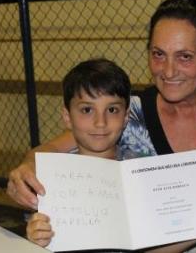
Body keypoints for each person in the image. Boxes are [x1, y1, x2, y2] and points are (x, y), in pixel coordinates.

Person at [8, 0, 196, 252]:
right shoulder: (122, 113)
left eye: (184, 56)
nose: (168, 71)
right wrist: (24, 173)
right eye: (158, 54)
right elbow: (48, 152)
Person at [26, 58, 132, 247]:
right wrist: (37, 238)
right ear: (67, 117)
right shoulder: (51, 178)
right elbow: (40, 234)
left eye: (112, 109)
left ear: (126, 117)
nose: (101, 122)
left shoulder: (141, 168)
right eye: (87, 109)